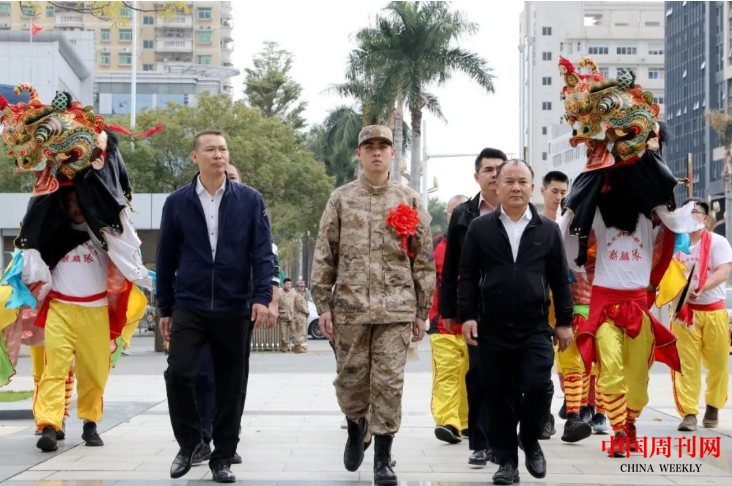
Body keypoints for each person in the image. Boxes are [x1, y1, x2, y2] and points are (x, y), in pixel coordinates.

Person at [310, 125, 435, 486]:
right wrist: (323, 304)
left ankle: (383, 457)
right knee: (350, 382)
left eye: (383, 146)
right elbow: (325, 253)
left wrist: (421, 311)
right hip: (350, 308)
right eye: (370, 147)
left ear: (393, 154)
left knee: (389, 383)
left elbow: (423, 260)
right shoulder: (341, 199)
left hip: (396, 308)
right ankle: (356, 424)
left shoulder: (409, 199)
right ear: (359, 154)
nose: (377, 152)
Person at [157, 130, 274, 483]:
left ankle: (223, 457)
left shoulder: (249, 200)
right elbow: (166, 256)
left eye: (223, 149)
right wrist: (165, 307)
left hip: (233, 304)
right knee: (179, 371)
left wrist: (262, 297)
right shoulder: (177, 202)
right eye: (210, 149)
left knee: (231, 384)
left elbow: (262, 252)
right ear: (195, 157)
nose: (218, 155)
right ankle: (190, 443)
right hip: (189, 304)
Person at [457, 159, 573, 485]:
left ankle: (531, 439)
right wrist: (467, 316)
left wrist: (564, 321)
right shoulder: (481, 228)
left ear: (532, 188)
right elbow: (467, 276)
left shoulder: (547, 230)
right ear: (498, 186)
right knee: (498, 397)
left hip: (534, 326)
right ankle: (506, 462)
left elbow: (560, 279)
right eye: (509, 181)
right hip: (491, 326)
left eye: (522, 181)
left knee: (538, 386)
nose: (516, 187)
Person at [192, 161, 279, 466]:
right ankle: (202, 437)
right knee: (201, 373)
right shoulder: (196, 212)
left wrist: (268, 301)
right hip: (198, 308)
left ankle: (227, 438)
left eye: (232, 177)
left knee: (231, 377)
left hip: (238, 308)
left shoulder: (251, 214)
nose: (226, 180)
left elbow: (269, 264)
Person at [439, 147, 507, 465]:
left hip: (514, 306)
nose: (494, 174)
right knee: (479, 374)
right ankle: (480, 443)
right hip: (477, 309)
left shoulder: (519, 209)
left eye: (499, 169)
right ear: (476, 176)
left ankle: (502, 439)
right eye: (488, 169)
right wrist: (450, 310)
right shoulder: (464, 215)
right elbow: (452, 266)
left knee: (510, 379)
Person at [670, 198, 732, 431]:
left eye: (695, 211)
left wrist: (701, 287)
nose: (690, 215)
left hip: (713, 312)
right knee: (685, 365)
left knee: (718, 364)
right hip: (683, 314)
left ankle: (713, 406)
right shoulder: (674, 244)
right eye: (686, 211)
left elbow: (723, 271)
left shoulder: (718, 242)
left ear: (705, 218)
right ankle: (689, 413)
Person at [428, 194, 470, 444]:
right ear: (446, 215)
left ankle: (465, 423)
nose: (456, 215)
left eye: (461, 210)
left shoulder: (478, 243)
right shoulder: (433, 246)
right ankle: (447, 422)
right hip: (442, 326)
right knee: (446, 374)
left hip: (472, 326)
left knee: (468, 376)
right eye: (452, 211)